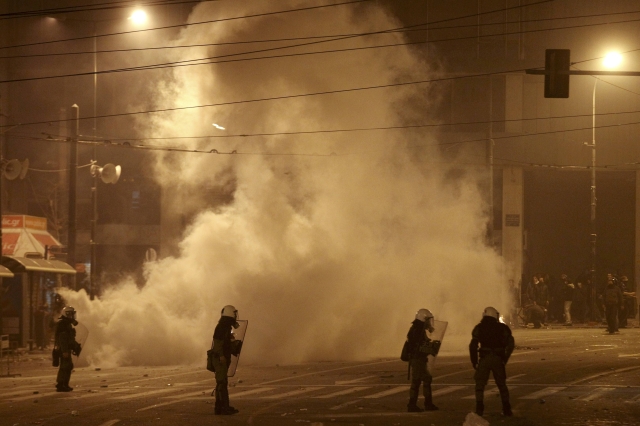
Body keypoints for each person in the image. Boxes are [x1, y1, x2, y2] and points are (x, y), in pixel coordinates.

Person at [469, 306, 515, 417]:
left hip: (484, 358)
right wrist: (505, 358)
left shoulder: (479, 328)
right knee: (501, 385)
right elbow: (510, 344)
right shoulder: (502, 328)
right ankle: (506, 408)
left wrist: (474, 361)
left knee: (480, 385)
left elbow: (473, 346)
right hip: (497, 358)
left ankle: (479, 408)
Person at [405, 308, 439, 412]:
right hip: (418, 359)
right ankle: (419, 404)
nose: (429, 322)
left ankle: (418, 404)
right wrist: (432, 346)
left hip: (418, 359)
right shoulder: (418, 330)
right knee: (421, 380)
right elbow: (420, 345)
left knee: (420, 380)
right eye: (428, 320)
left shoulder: (416, 328)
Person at [211, 305, 240, 415]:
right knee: (221, 383)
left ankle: (222, 406)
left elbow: (225, 341)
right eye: (234, 313)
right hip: (220, 359)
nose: (235, 315)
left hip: (222, 357)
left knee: (222, 382)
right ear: (230, 313)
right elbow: (217, 343)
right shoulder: (222, 327)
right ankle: (222, 408)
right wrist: (221, 356)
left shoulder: (226, 326)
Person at [54, 306, 81, 392]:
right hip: (63, 349)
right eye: (71, 314)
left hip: (66, 349)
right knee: (65, 366)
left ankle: (64, 384)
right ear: (67, 314)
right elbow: (63, 339)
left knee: (68, 366)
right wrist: (65, 351)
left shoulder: (67, 323)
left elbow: (70, 339)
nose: (73, 316)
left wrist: (76, 346)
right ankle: (61, 384)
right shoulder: (63, 324)